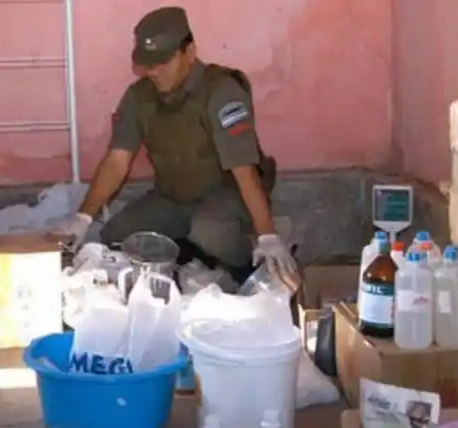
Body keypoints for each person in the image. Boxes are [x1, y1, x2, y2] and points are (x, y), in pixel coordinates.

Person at [53, 6, 297, 280]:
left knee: (211, 233)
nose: (154, 71)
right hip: (173, 198)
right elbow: (117, 160)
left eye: (164, 62)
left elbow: (243, 168)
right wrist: (83, 218)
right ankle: (190, 253)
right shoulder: (138, 97)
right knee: (117, 236)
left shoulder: (222, 90)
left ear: (189, 51)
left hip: (225, 194)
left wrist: (267, 234)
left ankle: (246, 262)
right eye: (148, 64)